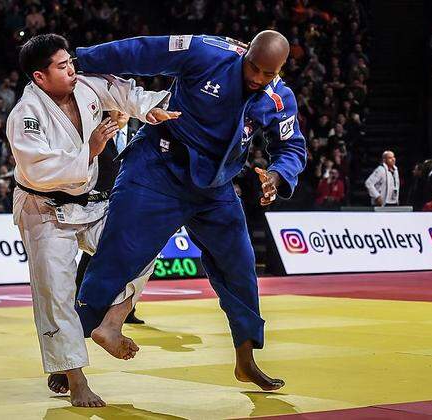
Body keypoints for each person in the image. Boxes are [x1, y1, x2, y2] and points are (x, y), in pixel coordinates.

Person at [74, 31, 306, 392]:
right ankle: (69, 359)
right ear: (247, 54)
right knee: (117, 255)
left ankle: (246, 361)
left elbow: (291, 146)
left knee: (240, 267)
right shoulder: (206, 52)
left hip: (215, 186)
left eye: (267, 73)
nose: (257, 78)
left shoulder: (279, 99)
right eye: (253, 68)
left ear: (279, 70)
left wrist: (277, 175)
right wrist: (82, 59)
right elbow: (141, 50)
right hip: (158, 167)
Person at [7, 34, 177, 407]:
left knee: (141, 245)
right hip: (44, 209)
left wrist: (154, 108)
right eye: (62, 66)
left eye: (71, 62)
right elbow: (38, 170)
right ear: (39, 76)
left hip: (88, 203)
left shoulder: (84, 87)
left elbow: (122, 93)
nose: (71, 69)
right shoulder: (25, 116)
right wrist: (92, 150)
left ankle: (111, 324)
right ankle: (75, 378)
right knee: (55, 293)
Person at [75, 110, 144, 325]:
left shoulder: (140, 132)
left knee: (131, 255)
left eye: (125, 106)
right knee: (93, 254)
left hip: (133, 201)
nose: (122, 111)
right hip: (101, 201)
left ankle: (126, 309)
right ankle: (80, 304)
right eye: (117, 106)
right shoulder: (98, 132)